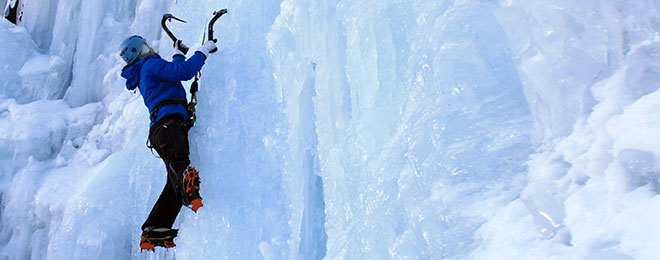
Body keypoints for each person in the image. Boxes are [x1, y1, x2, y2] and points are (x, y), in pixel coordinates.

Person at [119, 35, 216, 250]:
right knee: (179, 164)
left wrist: (178, 55)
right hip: (168, 124)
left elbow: (174, 74)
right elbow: (184, 73)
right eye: (146, 46)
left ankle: (154, 229)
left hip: (162, 129)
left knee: (174, 182)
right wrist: (203, 51)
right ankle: (188, 188)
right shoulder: (149, 64)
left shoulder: (147, 69)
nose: (151, 48)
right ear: (138, 51)